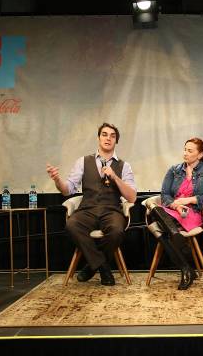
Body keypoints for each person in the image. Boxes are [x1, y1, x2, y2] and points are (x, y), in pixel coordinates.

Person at [46, 123, 136, 286]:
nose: (108, 138)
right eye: (104, 134)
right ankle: (102, 267)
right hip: (88, 209)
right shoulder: (83, 161)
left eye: (112, 136)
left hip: (111, 210)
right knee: (72, 225)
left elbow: (132, 197)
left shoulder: (124, 166)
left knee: (116, 231)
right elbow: (67, 190)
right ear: (98, 138)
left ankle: (91, 266)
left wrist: (115, 177)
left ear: (116, 141)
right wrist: (57, 180)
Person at [147, 138, 203, 290]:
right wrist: (175, 205)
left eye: (190, 150)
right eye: (184, 149)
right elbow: (165, 194)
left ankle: (185, 266)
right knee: (152, 207)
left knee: (156, 227)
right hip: (172, 211)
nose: (185, 153)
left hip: (192, 212)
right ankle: (186, 267)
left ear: (200, 155)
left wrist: (188, 201)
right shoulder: (174, 169)